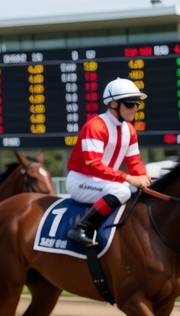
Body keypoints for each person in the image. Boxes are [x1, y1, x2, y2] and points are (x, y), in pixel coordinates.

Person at [65, 78, 152, 248]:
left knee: (139, 191)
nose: (135, 107)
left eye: (137, 104)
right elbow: (94, 166)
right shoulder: (95, 127)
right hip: (81, 181)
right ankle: (81, 228)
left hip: (106, 181)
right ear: (113, 103)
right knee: (122, 191)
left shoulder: (130, 130)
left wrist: (144, 178)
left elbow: (135, 163)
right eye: (130, 103)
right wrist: (128, 177)